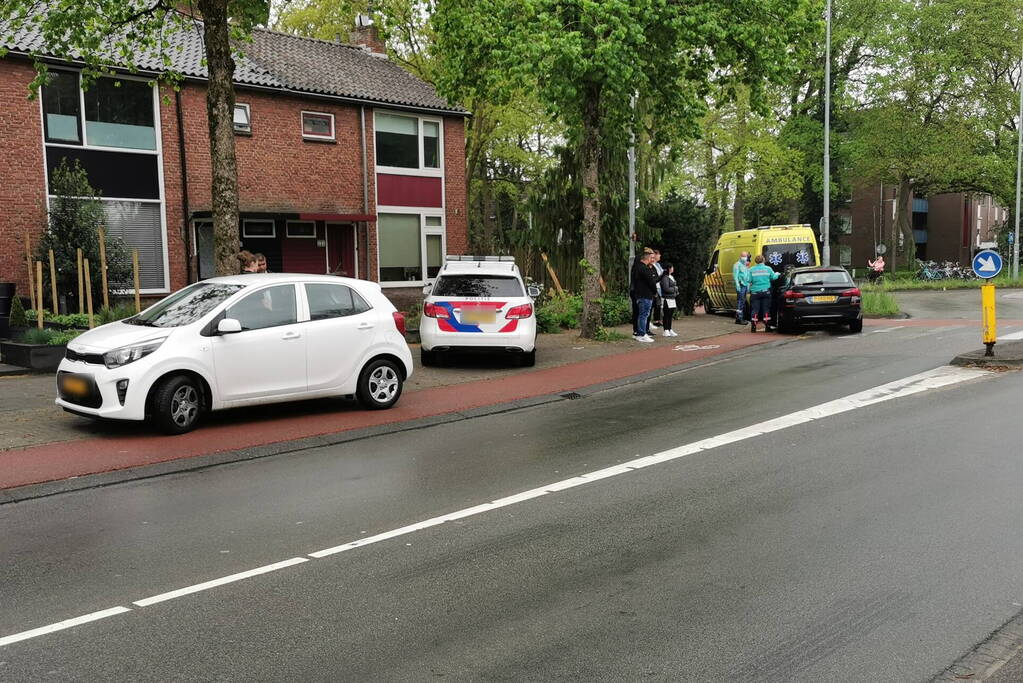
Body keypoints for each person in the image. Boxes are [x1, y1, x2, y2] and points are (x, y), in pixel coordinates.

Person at [631, 251, 659, 343]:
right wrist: (655, 292)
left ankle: (640, 333)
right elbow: (651, 282)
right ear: (647, 258)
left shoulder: (636, 268)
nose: (652, 260)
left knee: (641, 315)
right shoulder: (645, 269)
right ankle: (642, 334)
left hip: (639, 294)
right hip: (646, 295)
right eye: (651, 258)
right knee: (644, 315)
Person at [747, 254, 780, 333]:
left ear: (755, 261)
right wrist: (777, 274)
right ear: (764, 260)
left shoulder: (751, 269)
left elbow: (748, 280)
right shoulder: (768, 268)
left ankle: (753, 326)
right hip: (766, 292)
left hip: (755, 292)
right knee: (766, 309)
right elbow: (773, 277)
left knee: (755, 309)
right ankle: (767, 326)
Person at [659, 262, 679, 337]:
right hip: (667, 299)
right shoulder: (665, 278)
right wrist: (675, 289)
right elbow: (666, 288)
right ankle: (666, 330)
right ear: (669, 269)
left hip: (672, 298)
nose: (673, 268)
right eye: (672, 267)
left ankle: (670, 329)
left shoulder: (671, 277)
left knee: (670, 314)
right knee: (666, 314)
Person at [732, 251, 751, 324]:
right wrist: (737, 284)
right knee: (740, 301)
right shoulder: (737, 265)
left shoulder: (745, 265)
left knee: (743, 302)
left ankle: (741, 317)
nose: (745, 258)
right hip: (741, 285)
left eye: (746, 256)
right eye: (743, 256)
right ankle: (739, 318)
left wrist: (748, 285)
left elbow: (747, 275)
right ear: (740, 256)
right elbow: (735, 276)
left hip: (745, 285)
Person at [650, 249, 664, 329]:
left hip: (659, 286)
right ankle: (653, 321)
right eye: (658, 254)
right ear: (655, 255)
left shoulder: (658, 264)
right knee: (654, 304)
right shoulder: (652, 265)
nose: (660, 255)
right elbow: (658, 275)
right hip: (656, 286)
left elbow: (661, 273)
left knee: (659, 304)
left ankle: (657, 320)